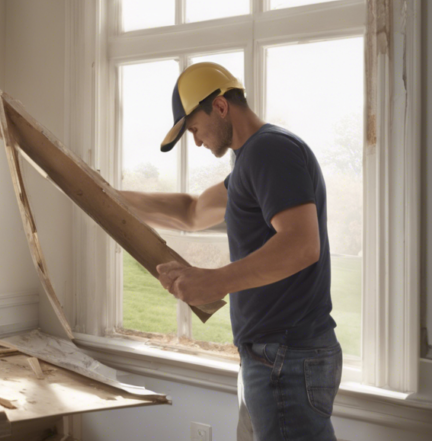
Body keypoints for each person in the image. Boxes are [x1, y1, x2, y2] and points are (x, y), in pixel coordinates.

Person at [117, 62, 342, 441]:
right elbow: (191, 212)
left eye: (194, 129)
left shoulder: (270, 150)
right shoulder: (250, 161)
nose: (196, 142)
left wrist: (215, 281)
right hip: (269, 356)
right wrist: (104, 195)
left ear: (220, 106)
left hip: (285, 357)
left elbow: (302, 245)